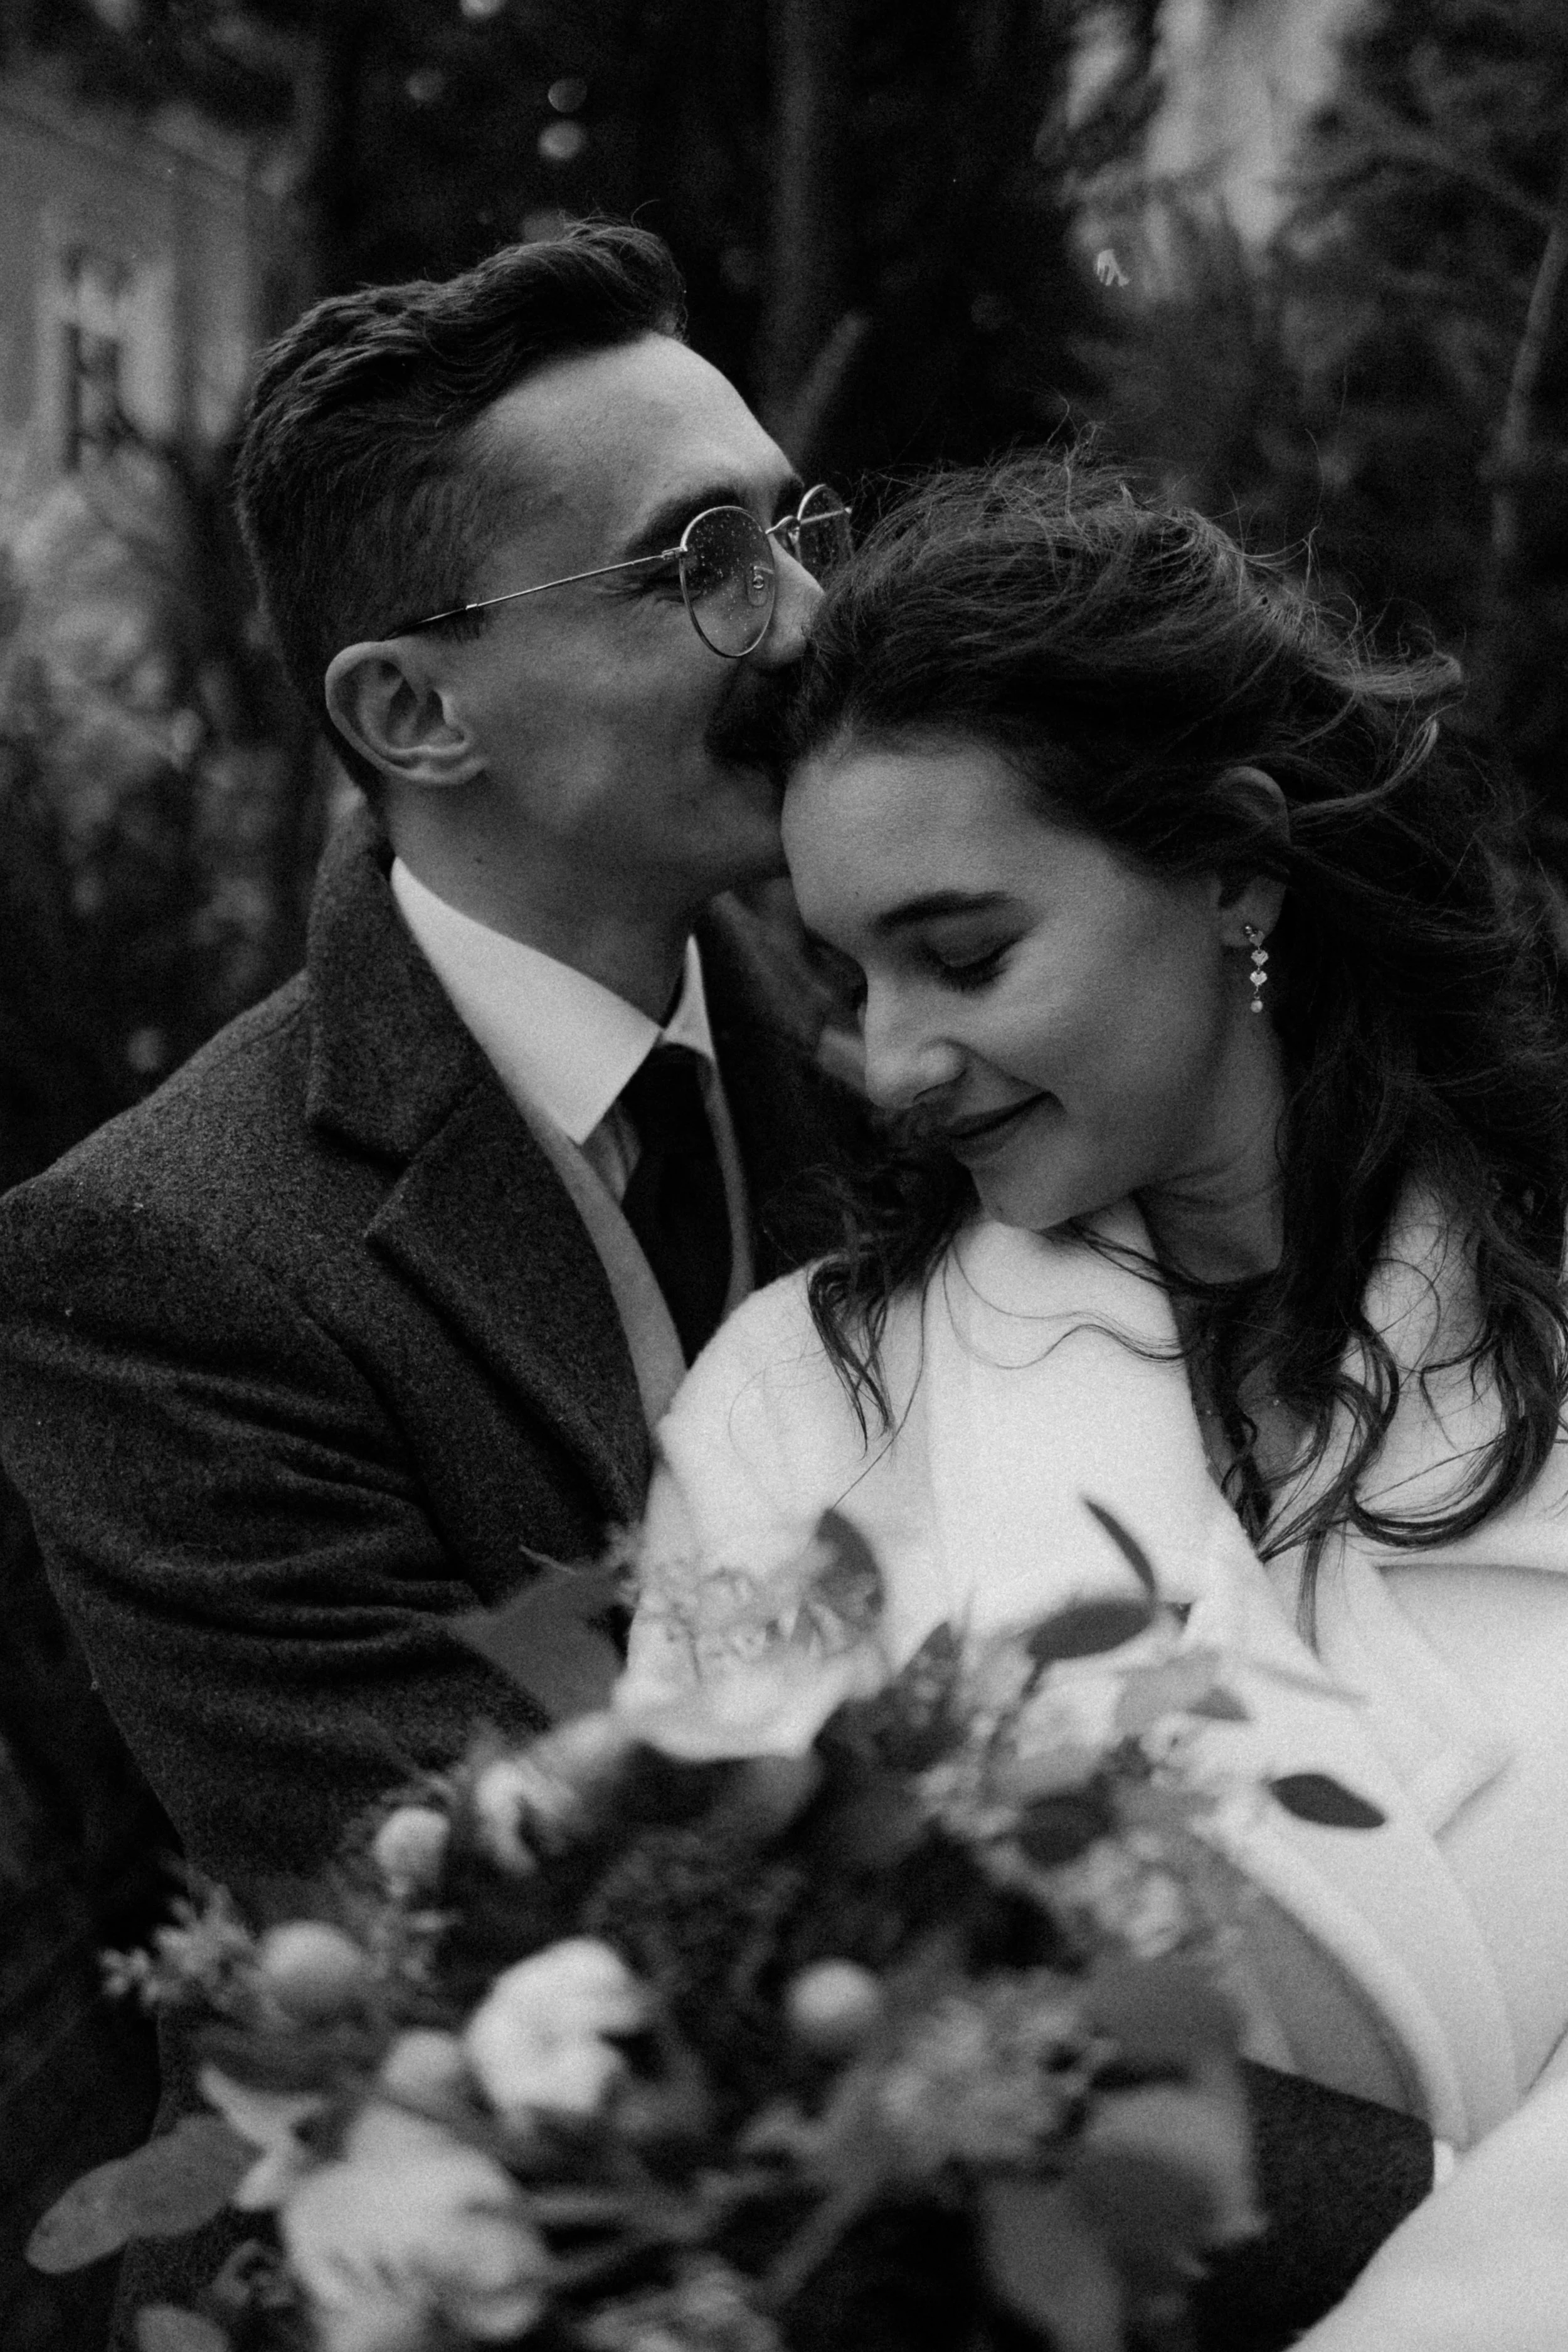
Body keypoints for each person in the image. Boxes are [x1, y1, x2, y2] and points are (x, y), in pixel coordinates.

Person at [619, 449, 1568, 2345]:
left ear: (1233, 863)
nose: (893, 1059)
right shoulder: (803, 1405)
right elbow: (719, 2043)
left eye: (963, 955)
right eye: (851, 973)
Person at [0, 223, 866, 1905]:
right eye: (697, 559)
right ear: (411, 710)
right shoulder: (159, 1266)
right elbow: (444, 1903)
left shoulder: (921, 1063)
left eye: (796, 529)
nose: (810, 621)